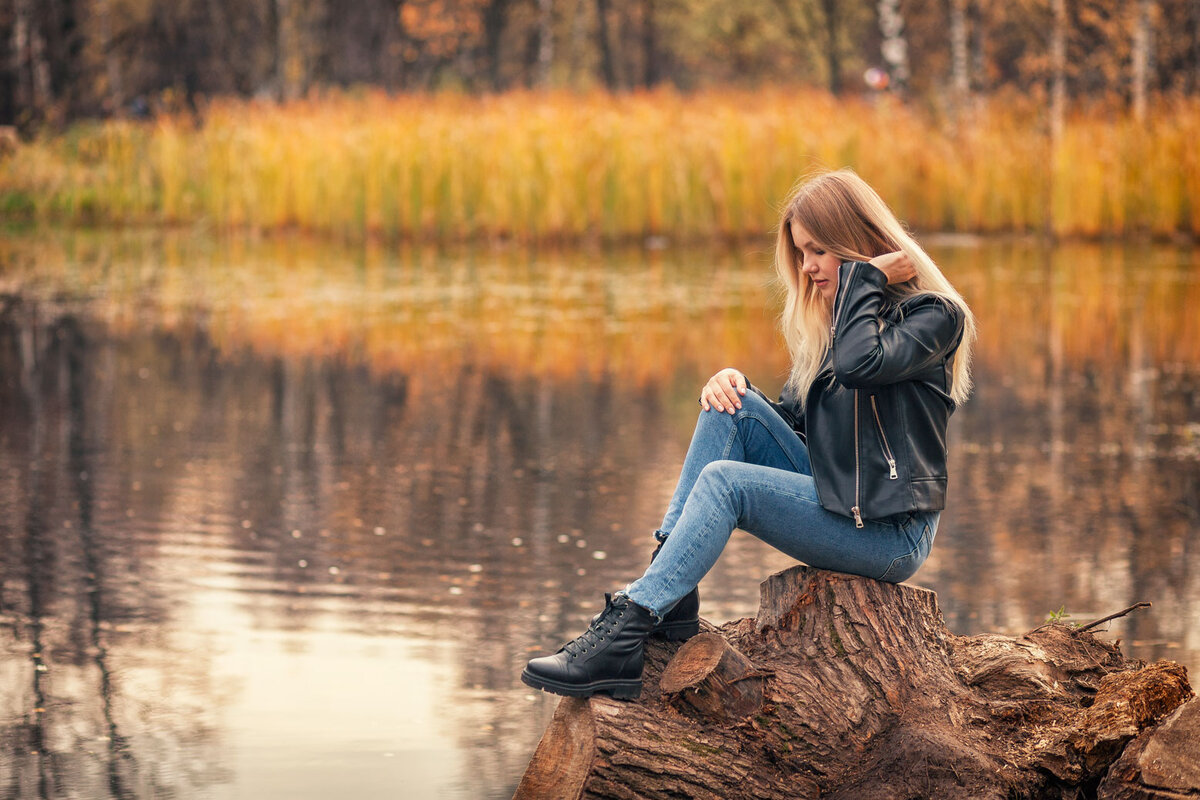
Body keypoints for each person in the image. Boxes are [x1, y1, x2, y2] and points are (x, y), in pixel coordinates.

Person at [521, 168, 978, 700]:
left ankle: (631, 626)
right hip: (841, 496)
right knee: (730, 408)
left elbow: (861, 366)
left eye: (819, 251)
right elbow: (797, 427)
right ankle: (671, 595)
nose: (806, 268)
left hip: (890, 533)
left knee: (726, 483)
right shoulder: (844, 321)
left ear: (862, 245)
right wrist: (730, 385)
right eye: (800, 253)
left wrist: (863, 281)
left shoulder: (934, 316)